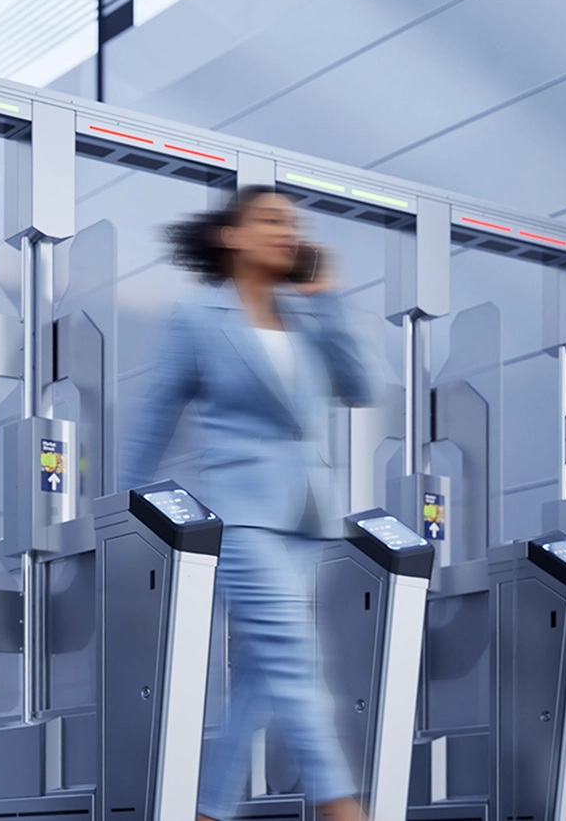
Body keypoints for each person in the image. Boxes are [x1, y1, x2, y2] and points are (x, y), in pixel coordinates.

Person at [122, 186, 374, 821]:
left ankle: (206, 811)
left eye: (293, 224)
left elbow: (361, 387)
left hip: (307, 517)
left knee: (261, 679)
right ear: (231, 236)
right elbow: (155, 417)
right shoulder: (198, 317)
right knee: (296, 658)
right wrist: (123, 509)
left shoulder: (308, 318)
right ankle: (341, 807)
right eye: (270, 220)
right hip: (241, 513)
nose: (286, 232)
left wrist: (328, 297)